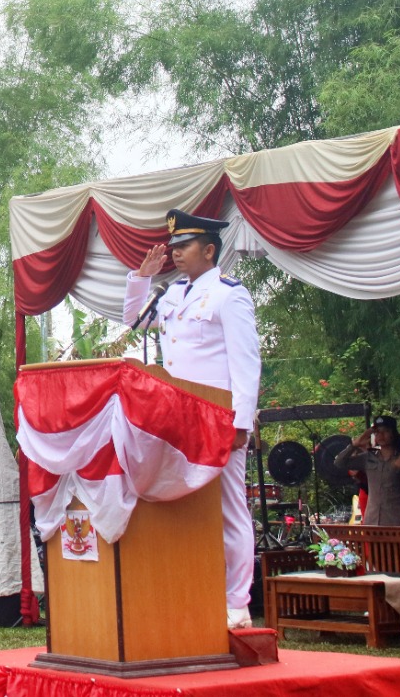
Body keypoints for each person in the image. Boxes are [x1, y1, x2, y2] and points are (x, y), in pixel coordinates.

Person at [125, 209, 261, 629]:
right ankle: (193, 591)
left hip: (217, 416)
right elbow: (133, 322)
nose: (175, 253)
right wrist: (142, 278)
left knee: (229, 508)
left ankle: (237, 603)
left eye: (184, 246)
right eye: (175, 246)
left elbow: (246, 363)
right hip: (177, 416)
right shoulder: (170, 294)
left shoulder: (228, 294)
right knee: (183, 505)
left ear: (209, 250)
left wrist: (241, 422)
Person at [334, 416, 400, 526]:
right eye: (377, 432)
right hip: (372, 520)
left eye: (385, 431)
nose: (381, 435)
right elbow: (339, 462)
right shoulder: (368, 457)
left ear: (393, 433)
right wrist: (355, 444)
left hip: (395, 521)